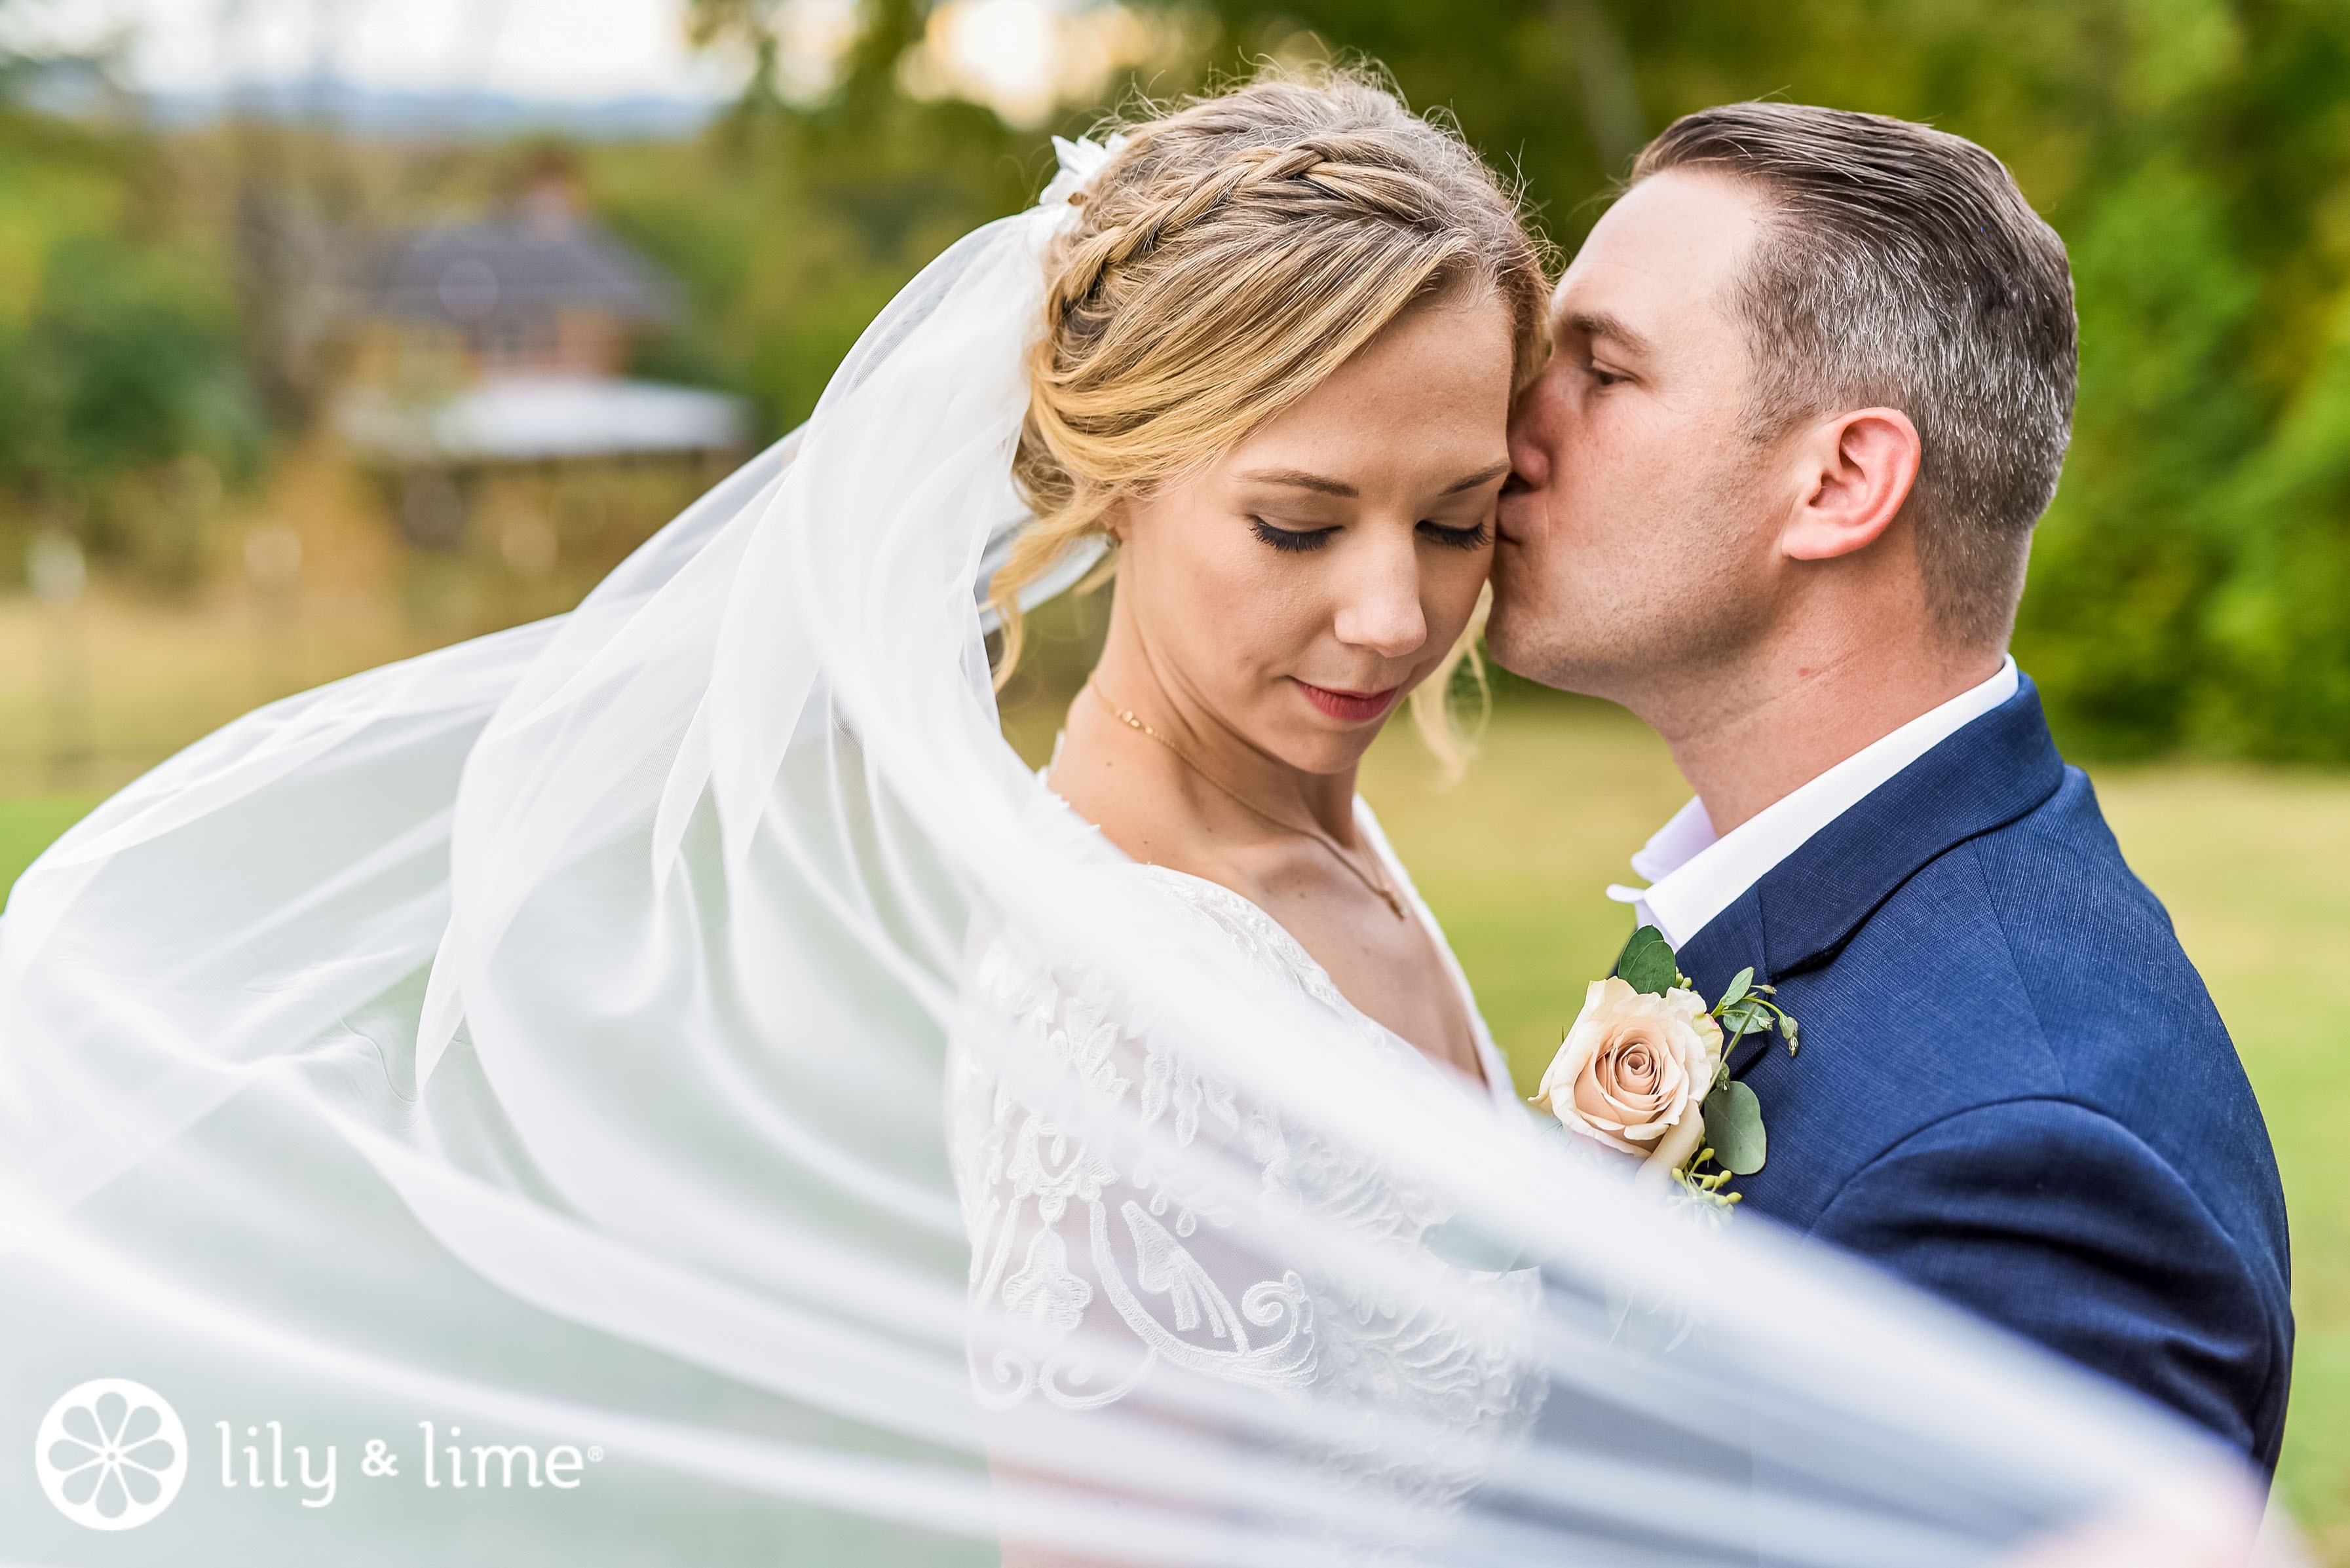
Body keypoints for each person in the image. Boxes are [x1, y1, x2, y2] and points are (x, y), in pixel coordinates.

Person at [0, 71, 2283, 1566]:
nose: (1394, 610)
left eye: (1474, 490)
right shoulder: (1126, 986)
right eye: (1296, 521)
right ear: (1111, 487)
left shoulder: (1409, 868)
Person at [1489, 100, 2294, 1474]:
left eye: (1603, 374)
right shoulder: (1812, 911)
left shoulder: (2024, 1168)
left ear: (1842, 481)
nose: (1511, 435)